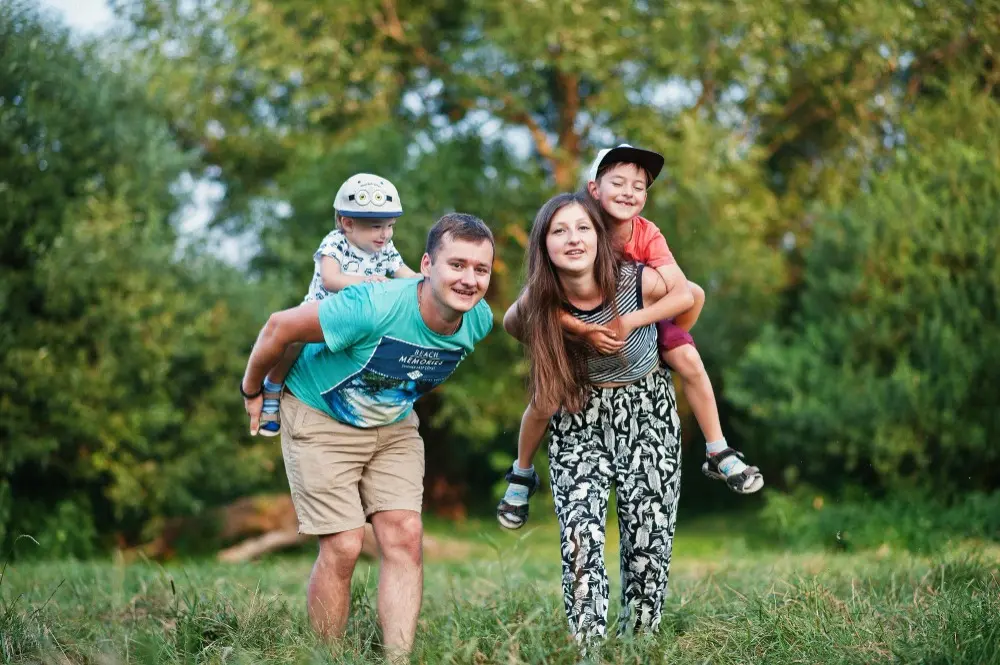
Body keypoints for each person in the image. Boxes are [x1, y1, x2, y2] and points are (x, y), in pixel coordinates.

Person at [240, 213, 495, 658]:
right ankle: (328, 658)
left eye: (481, 269)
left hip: (392, 425)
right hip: (320, 413)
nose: (469, 279)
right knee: (343, 545)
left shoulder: (478, 321)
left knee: (405, 534)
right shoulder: (373, 305)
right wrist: (252, 390)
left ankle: (398, 659)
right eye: (457, 264)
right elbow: (279, 327)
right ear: (426, 265)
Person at [497, 145, 763, 530]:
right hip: (581, 326)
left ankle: (717, 449)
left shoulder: (647, 234)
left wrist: (637, 327)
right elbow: (529, 312)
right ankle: (522, 473)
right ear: (594, 189)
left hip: (640, 319)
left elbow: (687, 295)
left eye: (639, 187)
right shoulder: (581, 229)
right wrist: (580, 331)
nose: (628, 192)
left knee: (688, 356)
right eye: (618, 183)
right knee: (545, 399)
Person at [503, 191, 683, 644]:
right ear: (543, 244)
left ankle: (638, 644)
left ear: (600, 237)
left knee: (648, 542)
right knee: (580, 540)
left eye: (583, 228)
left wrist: (673, 341)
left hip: (648, 414)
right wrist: (574, 329)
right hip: (578, 417)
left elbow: (688, 298)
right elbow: (512, 324)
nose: (573, 239)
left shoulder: (637, 281)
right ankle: (590, 649)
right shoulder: (541, 298)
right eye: (559, 231)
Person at [257, 173, 420, 437]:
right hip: (323, 311)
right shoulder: (335, 244)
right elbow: (331, 280)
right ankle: (273, 387)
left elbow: (406, 275)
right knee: (294, 341)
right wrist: (367, 281)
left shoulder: (386, 248)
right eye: (377, 226)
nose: (385, 234)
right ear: (348, 223)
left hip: (361, 317)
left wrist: (430, 282)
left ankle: (370, 404)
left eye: (390, 226)